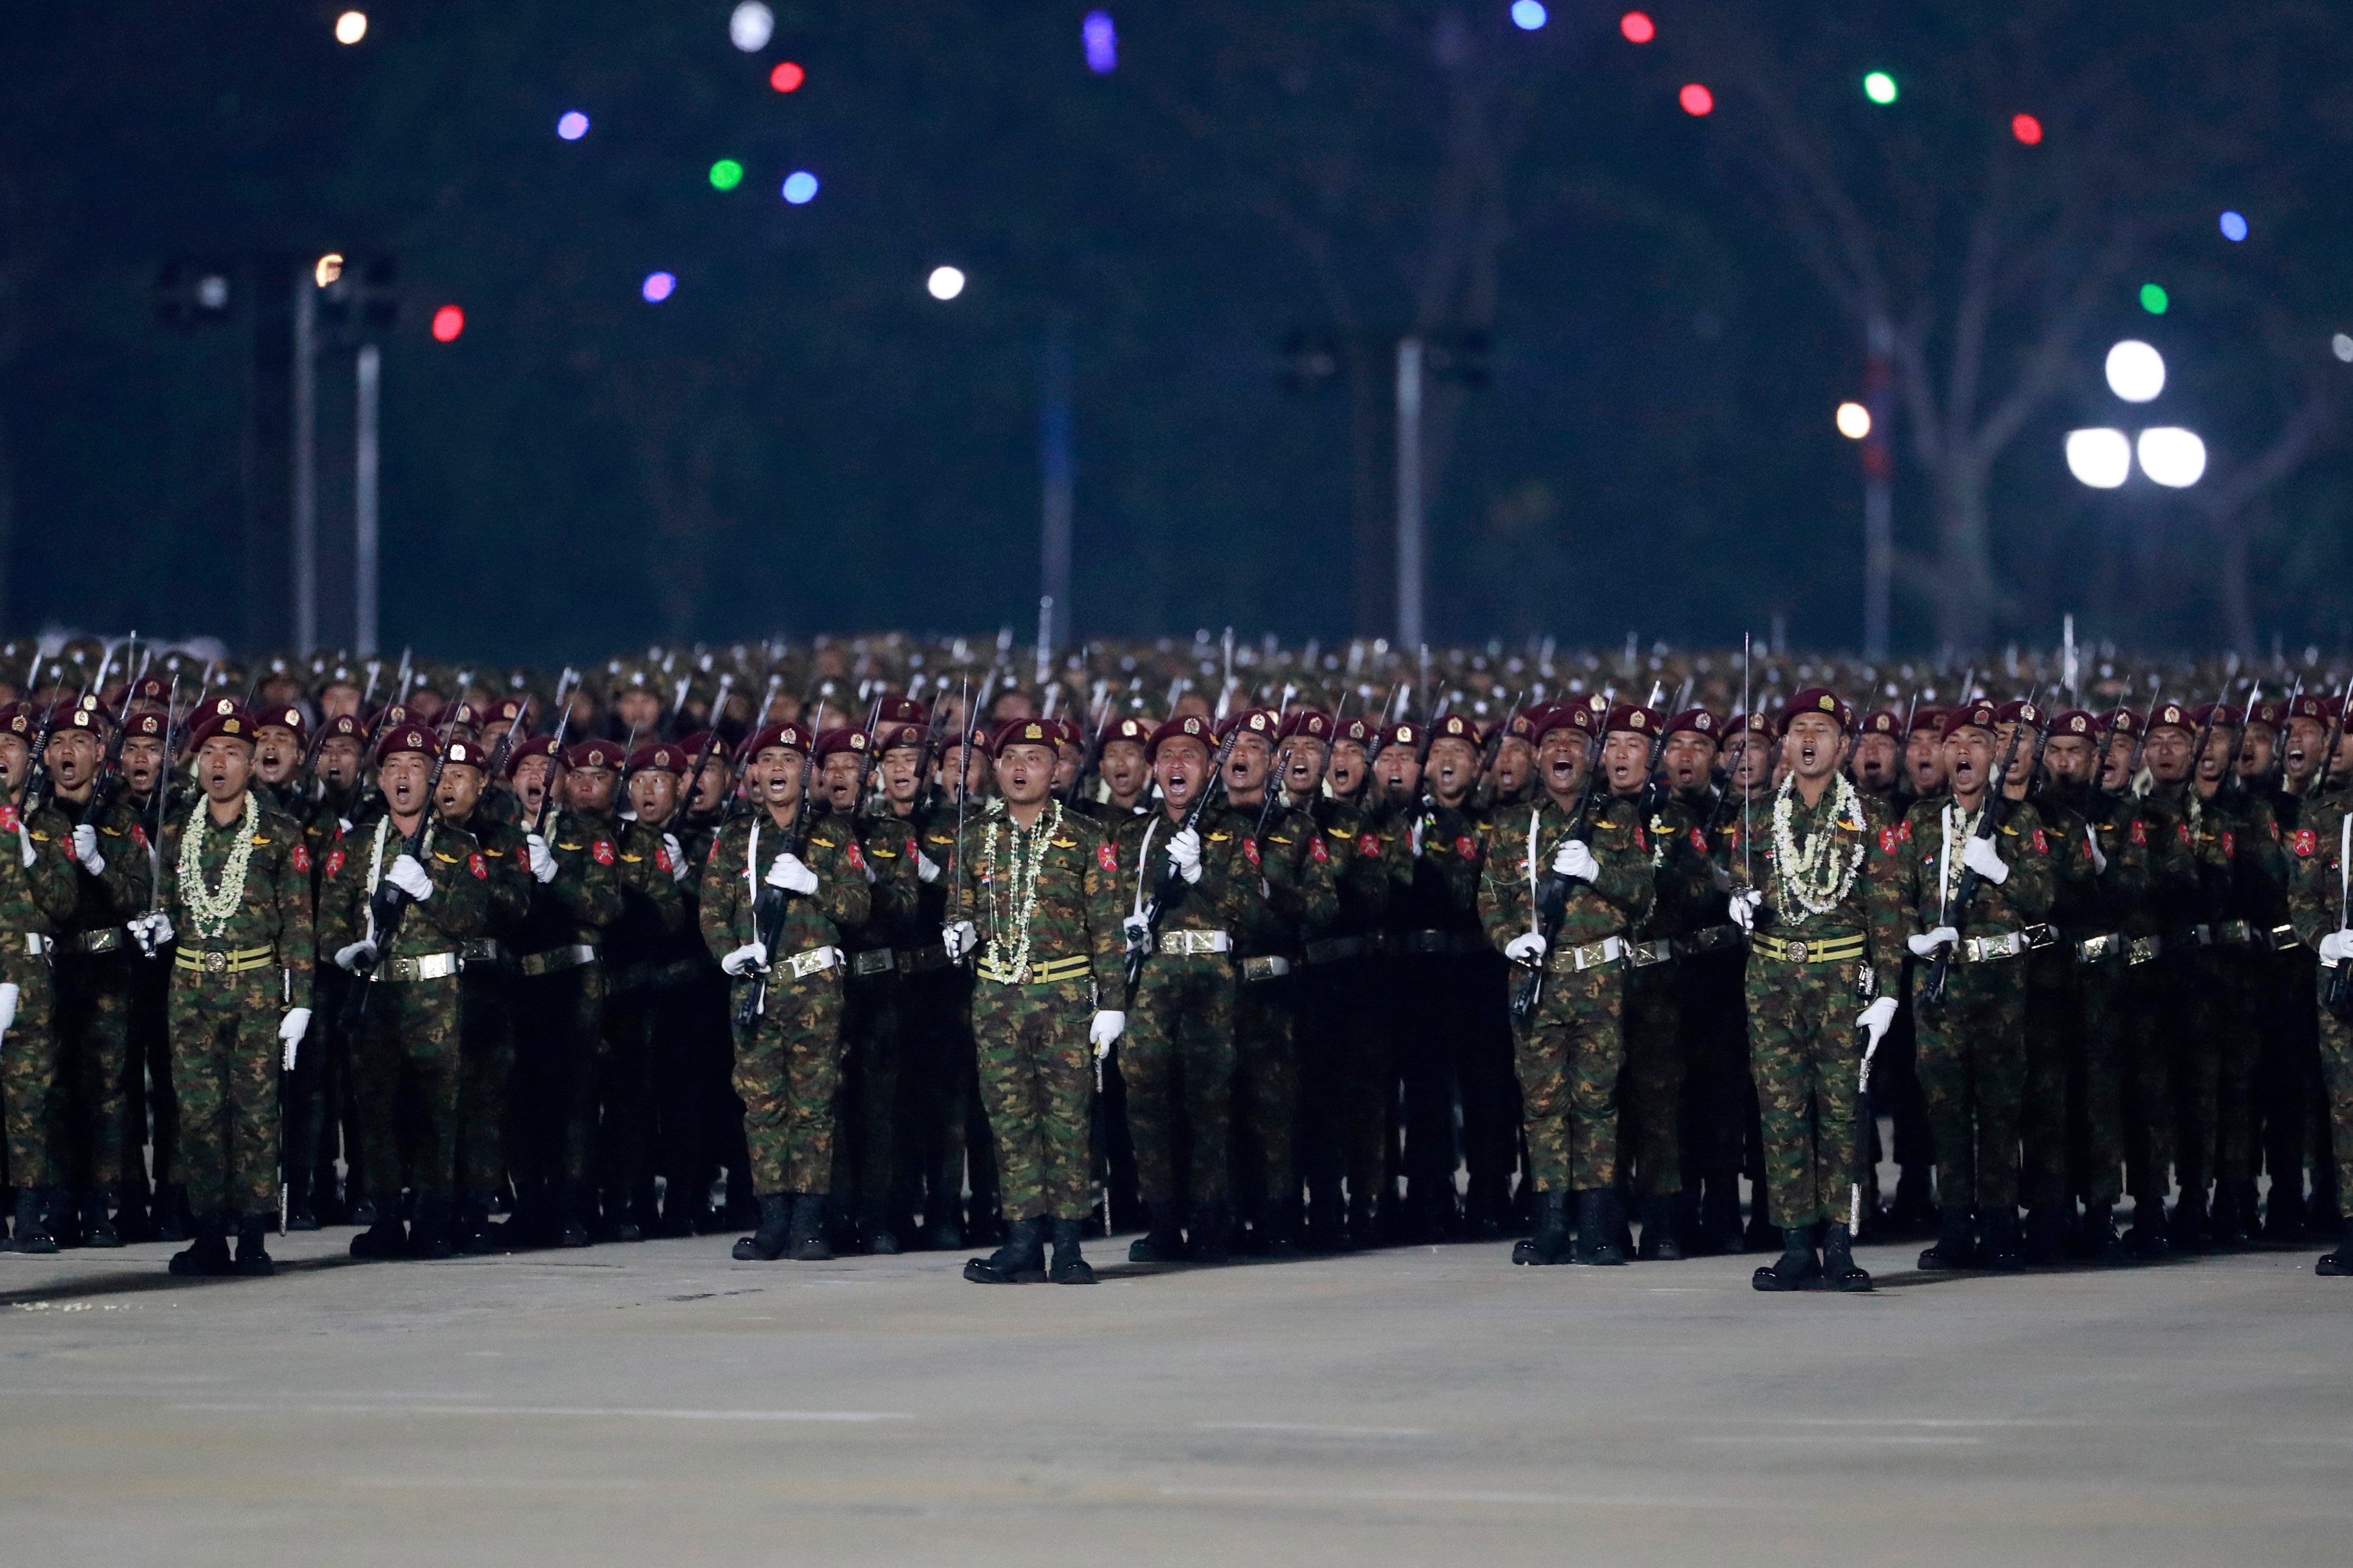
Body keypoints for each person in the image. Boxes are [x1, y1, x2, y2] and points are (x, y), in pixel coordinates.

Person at [1725, 688, 1902, 1290]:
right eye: (1798, 728)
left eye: (1821, 730)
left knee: (1842, 1118)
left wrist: (1889, 992)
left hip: (1839, 981)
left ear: (1843, 744)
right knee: (1781, 1116)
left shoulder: (1870, 817)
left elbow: (1888, 911)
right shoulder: (1757, 816)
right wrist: (1739, 904)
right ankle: (1796, 1242)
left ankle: (1839, 1243)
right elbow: (1742, 882)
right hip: (1773, 979)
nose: (1808, 740)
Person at [131, 699, 313, 1276]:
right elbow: (164, 904)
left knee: (256, 1112)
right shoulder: (177, 826)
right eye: (210, 752)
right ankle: (209, 1229)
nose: (219, 764)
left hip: (256, 981)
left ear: (252, 762)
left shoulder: (280, 832)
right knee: (199, 1114)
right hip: (190, 983)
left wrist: (301, 999)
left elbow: (299, 923)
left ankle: (254, 1233)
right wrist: (156, 926)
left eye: (233, 753)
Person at [946, 717, 1126, 1283]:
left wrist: (1113, 1001)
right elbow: (961, 906)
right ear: (995, 769)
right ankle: (1022, 1240)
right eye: (1010, 759)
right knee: (1011, 1122)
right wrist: (957, 931)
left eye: (1034, 758)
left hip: (1064, 994)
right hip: (998, 997)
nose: (1020, 769)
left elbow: (1107, 927)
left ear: (1058, 769)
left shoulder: (1084, 835)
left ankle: (1069, 1244)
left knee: (1069, 1122)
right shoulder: (974, 833)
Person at [1477, 697, 1653, 1266]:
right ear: (1534, 755)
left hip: (1599, 979)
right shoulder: (1513, 826)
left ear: (1590, 755)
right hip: (1538, 978)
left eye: (1573, 744)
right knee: (1544, 1104)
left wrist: (1597, 871)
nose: (1561, 752)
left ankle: (1600, 1225)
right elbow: (1492, 897)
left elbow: (1644, 896)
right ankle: (1552, 1223)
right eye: (1551, 744)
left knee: (1597, 1104)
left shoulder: (1618, 820)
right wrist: (1510, 938)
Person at [1883, 699, 2055, 1271]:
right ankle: (1956, 1224)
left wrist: (2001, 867)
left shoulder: (2020, 820)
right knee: (1947, 1110)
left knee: (2001, 1109)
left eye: (1978, 743)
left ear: (1995, 756)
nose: (1964, 753)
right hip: (1941, 982)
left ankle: (2002, 1225)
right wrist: (1912, 940)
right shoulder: (1920, 818)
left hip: (2000, 981)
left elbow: (2043, 897)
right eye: (1955, 743)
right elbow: (1897, 893)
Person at [316, 722, 491, 1259]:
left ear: (431, 778)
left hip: (435, 996)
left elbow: (473, 918)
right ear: (379, 778)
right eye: (393, 767)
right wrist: (344, 952)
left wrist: (430, 892)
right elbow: (328, 922)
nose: (403, 777)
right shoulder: (356, 846)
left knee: (437, 1112)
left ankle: (433, 1219)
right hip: (376, 993)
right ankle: (387, 1218)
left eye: (415, 768)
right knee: (377, 1112)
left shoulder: (461, 847)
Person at [700, 720, 871, 1262]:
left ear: (808, 773)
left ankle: (810, 1220)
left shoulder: (833, 834)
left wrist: (815, 884)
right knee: (762, 1105)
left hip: (814, 985)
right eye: (767, 759)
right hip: (756, 984)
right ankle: (772, 1218)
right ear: (752, 772)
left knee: (814, 1106)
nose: (777, 768)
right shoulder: (735, 836)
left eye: (789, 760)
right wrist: (729, 950)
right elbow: (712, 907)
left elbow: (860, 907)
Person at [1105, 714, 1255, 1262]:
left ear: (1210, 767)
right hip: (1150, 985)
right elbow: (1111, 907)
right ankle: (1164, 1220)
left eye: (1190, 755)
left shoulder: (1233, 833)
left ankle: (1213, 1220)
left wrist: (1201, 878)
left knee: (1209, 1105)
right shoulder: (1132, 836)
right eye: (1166, 756)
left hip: (1209, 985)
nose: (1176, 765)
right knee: (1147, 1106)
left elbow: (1253, 910)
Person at [0, 702, 79, 1253]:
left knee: (30, 1100)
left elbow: (63, 903)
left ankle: (29, 1214)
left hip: (29, 978)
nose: (2, 755)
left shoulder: (50, 825)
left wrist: (28, 850)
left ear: (33, 759)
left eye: (12, 746)